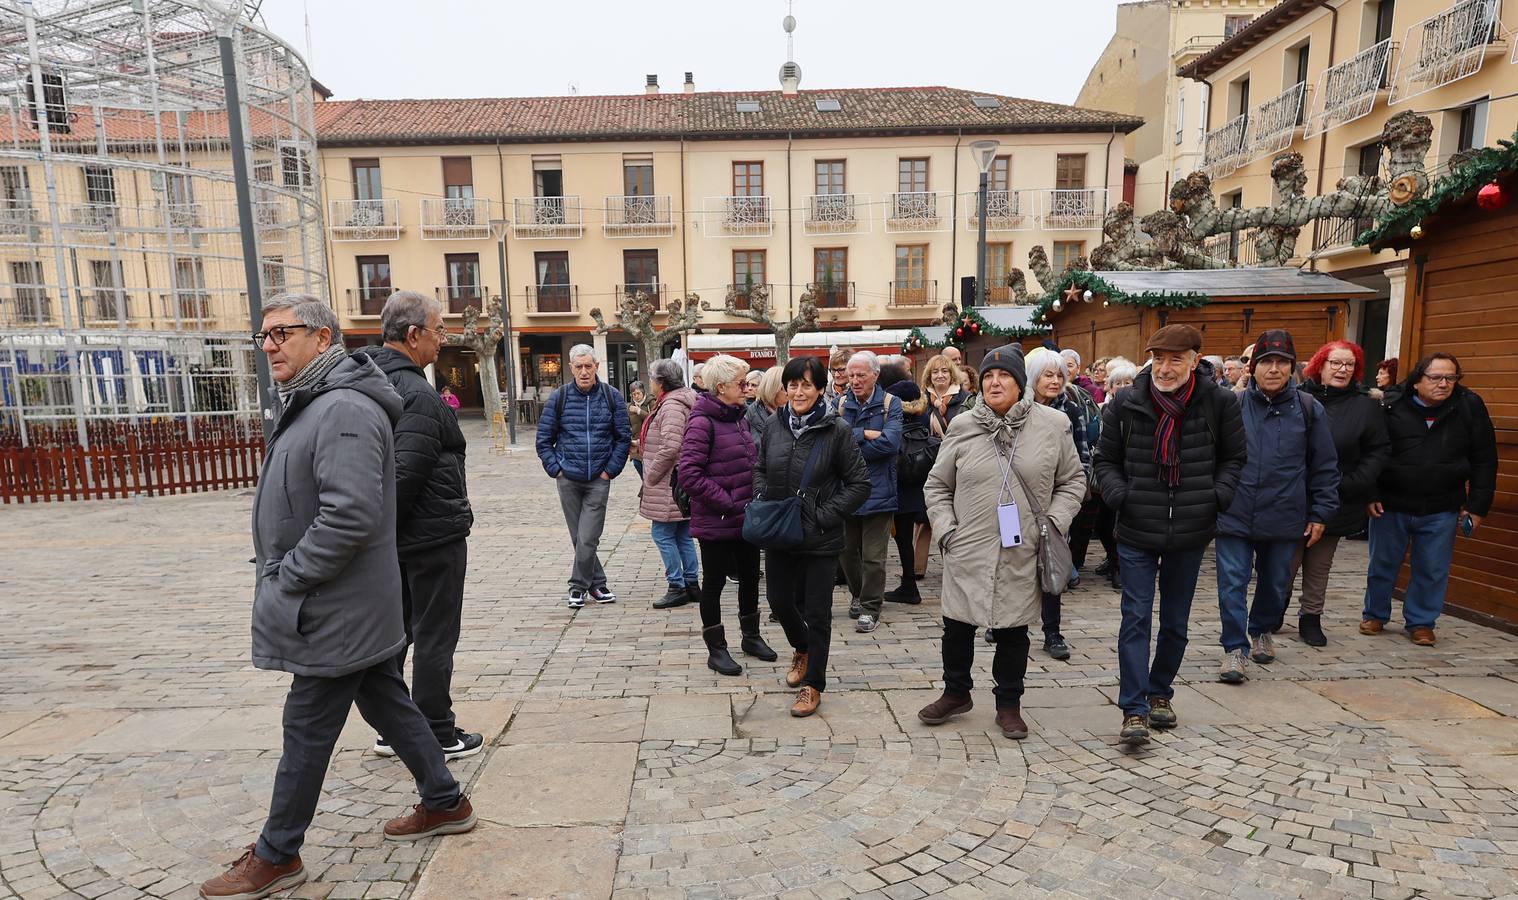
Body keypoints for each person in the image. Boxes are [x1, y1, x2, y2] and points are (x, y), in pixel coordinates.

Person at [202, 295, 475, 900]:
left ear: (323, 339)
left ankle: (277, 854)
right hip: (346, 602)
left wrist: (291, 575)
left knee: (305, 728)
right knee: (386, 699)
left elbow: (349, 514)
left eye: (283, 333)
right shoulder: (319, 401)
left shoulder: (344, 407)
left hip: (335, 605)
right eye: (263, 335)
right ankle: (446, 801)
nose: (269, 345)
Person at [918, 345, 1086, 740]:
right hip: (967, 545)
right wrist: (946, 532)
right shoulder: (962, 426)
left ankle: (1009, 703)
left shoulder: (1052, 424)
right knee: (956, 627)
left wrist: (1053, 523)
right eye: (989, 376)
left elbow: (1073, 481)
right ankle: (956, 692)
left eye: (1004, 376)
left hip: (1022, 546)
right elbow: (937, 485)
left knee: (1013, 630)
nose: (995, 382)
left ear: (1020, 383)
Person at [1093, 324, 1247, 746]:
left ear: (1195, 361)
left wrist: (1216, 497)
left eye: (1175, 360)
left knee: (1176, 622)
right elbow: (1104, 461)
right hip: (1137, 525)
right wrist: (1120, 495)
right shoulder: (1126, 402)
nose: (1165, 368)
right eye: (1158, 359)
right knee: (1135, 618)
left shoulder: (1218, 402)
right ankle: (1134, 709)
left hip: (1192, 526)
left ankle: (1160, 691)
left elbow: (1235, 458)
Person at [350, 291, 482, 763]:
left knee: (399, 633)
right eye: (438, 330)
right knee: (433, 635)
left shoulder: (364, 379)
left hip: (397, 541)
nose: (442, 340)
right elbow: (405, 478)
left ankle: (395, 727)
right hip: (430, 538)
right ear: (412, 335)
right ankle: (434, 730)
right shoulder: (417, 393)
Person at [1212, 330, 1339, 683]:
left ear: (1292, 369)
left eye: (1281, 362)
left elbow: (1325, 465)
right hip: (1234, 511)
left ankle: (1262, 629)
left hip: (1285, 512)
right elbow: (1212, 457)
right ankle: (1234, 648)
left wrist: (1320, 513)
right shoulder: (1232, 405)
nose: (1273, 369)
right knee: (1232, 582)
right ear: (1253, 367)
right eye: (1266, 361)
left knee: (1275, 582)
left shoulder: (1309, 409)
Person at [755, 355, 870, 716]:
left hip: (820, 537)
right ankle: (802, 648)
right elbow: (760, 467)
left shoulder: (836, 430)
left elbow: (859, 484)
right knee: (778, 601)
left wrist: (822, 516)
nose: (799, 391)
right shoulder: (774, 426)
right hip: (780, 532)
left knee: (818, 613)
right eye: (793, 384)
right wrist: (762, 497)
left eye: (807, 384)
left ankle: (813, 684)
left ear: (820, 388)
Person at [1363, 352, 1497, 645]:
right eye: (1436, 377)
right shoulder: (1390, 404)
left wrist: (1477, 506)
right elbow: (1372, 452)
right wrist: (1369, 493)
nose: (1444, 384)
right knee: (1383, 563)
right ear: (1417, 381)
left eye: (1451, 378)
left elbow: (1485, 459)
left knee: (1433, 568)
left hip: (1442, 504)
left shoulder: (1469, 406)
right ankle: (1374, 614)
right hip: (1391, 502)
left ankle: (1421, 622)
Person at [678, 355, 777, 674]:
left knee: (750, 577)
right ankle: (716, 648)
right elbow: (689, 474)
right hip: (718, 520)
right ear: (721, 387)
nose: (747, 388)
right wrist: (729, 503)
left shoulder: (739, 416)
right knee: (715, 582)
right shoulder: (702, 421)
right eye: (741, 383)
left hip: (745, 517)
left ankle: (751, 636)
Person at [1288, 341, 1389, 646]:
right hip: (1293, 495)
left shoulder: (1365, 406)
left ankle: (1310, 617)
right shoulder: (1296, 398)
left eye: (1349, 364)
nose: (1342, 370)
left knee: (1320, 563)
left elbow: (1377, 450)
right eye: (1336, 363)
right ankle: (1271, 612)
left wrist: (1354, 483)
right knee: (1284, 563)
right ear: (1320, 365)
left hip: (1337, 495)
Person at [535, 344, 632, 609]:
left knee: (588, 536)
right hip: (568, 477)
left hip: (598, 479)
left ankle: (577, 587)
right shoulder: (560, 397)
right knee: (578, 537)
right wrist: (556, 469)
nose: (584, 371)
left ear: (597, 366)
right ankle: (598, 585)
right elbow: (544, 440)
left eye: (589, 366)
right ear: (571, 368)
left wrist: (609, 471)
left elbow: (623, 439)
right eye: (579, 366)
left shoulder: (612, 397)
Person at [1019, 349, 1094, 659]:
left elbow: (1082, 458)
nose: (1055, 380)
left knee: (1050, 565)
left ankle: (1052, 632)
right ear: (1033, 377)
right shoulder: (1017, 407)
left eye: (1059, 375)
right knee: (1015, 565)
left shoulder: (1071, 410)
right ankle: (1007, 625)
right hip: (1017, 502)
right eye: (1048, 374)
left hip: (1052, 504)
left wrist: (1065, 506)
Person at [839, 350, 903, 633]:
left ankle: (870, 607)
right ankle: (858, 593)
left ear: (875, 375)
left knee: (874, 556)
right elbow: (835, 442)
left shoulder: (891, 403)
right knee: (845, 551)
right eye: (851, 375)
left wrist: (853, 437)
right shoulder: (840, 403)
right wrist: (865, 434)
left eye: (860, 375)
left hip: (880, 490)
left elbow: (890, 444)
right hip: (846, 489)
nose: (854, 380)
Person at [639, 360, 700, 610]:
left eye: (652, 379)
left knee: (662, 534)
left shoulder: (672, 405)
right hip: (678, 478)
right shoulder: (680, 400)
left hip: (668, 481)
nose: (650, 383)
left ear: (660, 381)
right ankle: (692, 583)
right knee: (682, 534)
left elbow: (671, 446)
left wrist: (651, 475)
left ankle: (677, 585)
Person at [881, 362, 932, 605]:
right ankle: (908, 583)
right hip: (918, 486)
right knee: (904, 538)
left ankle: (909, 586)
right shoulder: (923, 418)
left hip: (899, 486)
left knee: (902, 538)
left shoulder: (891, 421)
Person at [924, 354, 971, 437]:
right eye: (935, 372)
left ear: (951, 374)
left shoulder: (966, 398)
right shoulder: (923, 399)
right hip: (931, 449)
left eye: (944, 371)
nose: (940, 375)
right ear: (929, 376)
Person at [745, 365, 785, 446]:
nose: (789, 393)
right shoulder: (750, 414)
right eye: (784, 388)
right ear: (773, 389)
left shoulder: (793, 412)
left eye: (754, 385)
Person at [627, 381, 650, 480]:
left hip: (649, 441)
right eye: (634, 394)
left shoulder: (651, 402)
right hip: (635, 443)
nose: (636, 396)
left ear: (643, 392)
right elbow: (627, 423)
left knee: (649, 471)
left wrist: (639, 411)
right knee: (637, 464)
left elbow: (654, 418)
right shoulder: (630, 407)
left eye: (638, 393)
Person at [827, 348, 851, 412]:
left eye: (841, 370)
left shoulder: (859, 394)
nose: (836, 375)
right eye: (833, 370)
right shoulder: (822, 394)